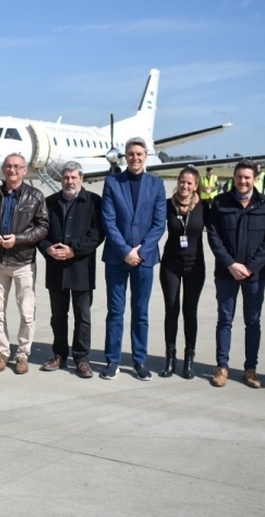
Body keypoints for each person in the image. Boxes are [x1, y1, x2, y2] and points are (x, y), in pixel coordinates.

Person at [99, 137, 167, 381]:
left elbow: (159, 223)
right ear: (125, 156)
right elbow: (108, 220)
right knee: (115, 311)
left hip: (144, 259)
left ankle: (139, 360)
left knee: (141, 312)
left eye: (139, 154)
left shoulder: (157, 185)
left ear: (145, 156)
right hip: (117, 258)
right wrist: (125, 250)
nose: (135, 158)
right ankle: (112, 360)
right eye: (131, 154)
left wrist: (140, 251)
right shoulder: (112, 183)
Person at [207, 160, 265, 388]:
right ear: (234, 178)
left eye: (248, 177)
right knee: (225, 320)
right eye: (239, 177)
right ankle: (222, 367)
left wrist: (250, 267)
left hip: (254, 276)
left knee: (253, 322)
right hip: (226, 273)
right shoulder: (220, 203)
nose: (243, 181)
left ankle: (250, 369)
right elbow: (214, 237)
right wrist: (230, 264)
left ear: (255, 179)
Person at [0, 152, 49, 374]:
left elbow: (43, 227)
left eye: (17, 167)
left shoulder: (35, 196)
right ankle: (2, 352)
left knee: (26, 313)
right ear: (3, 169)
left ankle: (22, 354)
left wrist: (18, 240)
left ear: (24, 170)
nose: (12, 170)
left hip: (23, 263)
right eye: (8, 166)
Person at [37, 161, 104, 378]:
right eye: (66, 177)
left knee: (82, 316)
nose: (70, 181)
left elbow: (97, 233)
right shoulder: (50, 203)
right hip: (56, 269)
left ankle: (82, 358)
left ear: (81, 179)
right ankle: (59, 355)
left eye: (74, 177)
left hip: (81, 268)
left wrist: (74, 251)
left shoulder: (93, 202)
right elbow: (40, 232)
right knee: (58, 316)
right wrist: (48, 250)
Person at [159, 166, 208, 379]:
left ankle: (189, 358)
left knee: (190, 312)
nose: (185, 186)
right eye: (182, 182)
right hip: (171, 264)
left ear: (196, 185)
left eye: (189, 183)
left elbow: (218, 232)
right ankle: (170, 357)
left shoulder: (204, 207)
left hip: (195, 266)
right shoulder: (167, 206)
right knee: (171, 310)